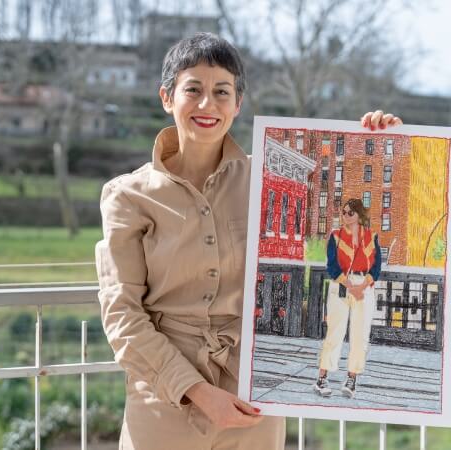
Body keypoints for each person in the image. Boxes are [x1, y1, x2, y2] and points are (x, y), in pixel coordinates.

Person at [96, 31, 401, 450]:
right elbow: (122, 317)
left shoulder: (270, 178)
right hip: (164, 399)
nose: (208, 104)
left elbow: (342, 212)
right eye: (193, 90)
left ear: (238, 104)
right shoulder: (127, 196)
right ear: (166, 97)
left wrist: (386, 140)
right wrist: (197, 392)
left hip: (255, 399)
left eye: (222, 91)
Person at [314, 198, 382, 398]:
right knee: (335, 332)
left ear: (359, 216)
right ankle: (322, 379)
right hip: (341, 285)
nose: (345, 216)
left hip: (364, 286)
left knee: (360, 335)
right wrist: (350, 286)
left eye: (350, 213)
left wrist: (362, 286)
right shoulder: (335, 237)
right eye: (343, 212)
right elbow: (332, 267)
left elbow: (377, 267)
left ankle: (352, 379)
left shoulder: (372, 236)